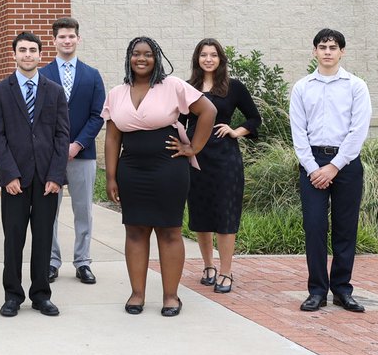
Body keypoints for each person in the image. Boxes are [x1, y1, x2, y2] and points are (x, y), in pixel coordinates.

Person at [103, 37, 215, 318]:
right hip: (131, 170)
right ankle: (137, 294)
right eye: (136, 54)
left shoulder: (172, 86)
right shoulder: (116, 93)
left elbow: (208, 111)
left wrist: (193, 147)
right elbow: (113, 138)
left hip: (168, 169)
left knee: (169, 231)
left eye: (148, 54)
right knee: (135, 230)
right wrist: (111, 177)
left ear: (157, 59)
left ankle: (170, 296)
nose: (141, 59)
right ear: (128, 58)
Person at [290, 28, 372, 313]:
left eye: (333, 47)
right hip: (312, 161)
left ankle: (342, 290)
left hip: (346, 163)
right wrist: (314, 168)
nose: (327, 52)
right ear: (314, 51)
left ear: (342, 52)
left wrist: (334, 166)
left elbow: (358, 131)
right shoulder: (302, 87)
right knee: (314, 227)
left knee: (345, 228)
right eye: (323, 47)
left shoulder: (356, 86)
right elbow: (298, 132)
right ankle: (316, 291)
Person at [0, 32, 69, 317]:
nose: (27, 55)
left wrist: (56, 176)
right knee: (13, 239)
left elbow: (62, 136)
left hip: (47, 178)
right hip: (16, 179)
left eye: (32, 50)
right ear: (14, 54)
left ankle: (41, 294)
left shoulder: (55, 91)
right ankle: (12, 295)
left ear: (40, 55)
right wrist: (9, 174)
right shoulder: (0, 91)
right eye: (22, 50)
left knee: (44, 238)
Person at [185, 39, 261, 294]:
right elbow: (178, 120)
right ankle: (208, 266)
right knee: (201, 214)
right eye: (204, 55)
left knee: (226, 214)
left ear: (220, 59)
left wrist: (236, 131)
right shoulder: (187, 88)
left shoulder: (233, 87)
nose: (208, 59)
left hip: (225, 158)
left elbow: (254, 118)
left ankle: (226, 271)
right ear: (197, 59)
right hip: (196, 158)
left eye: (213, 55)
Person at [40, 17, 106, 285]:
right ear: (54, 41)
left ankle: (83, 262)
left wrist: (78, 144)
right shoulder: (42, 74)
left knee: (83, 210)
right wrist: (56, 146)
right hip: (49, 156)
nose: (67, 41)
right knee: (48, 211)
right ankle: (51, 261)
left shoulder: (92, 75)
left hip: (83, 153)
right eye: (62, 37)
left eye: (71, 36)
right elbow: (37, 116)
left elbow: (98, 115)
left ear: (79, 39)